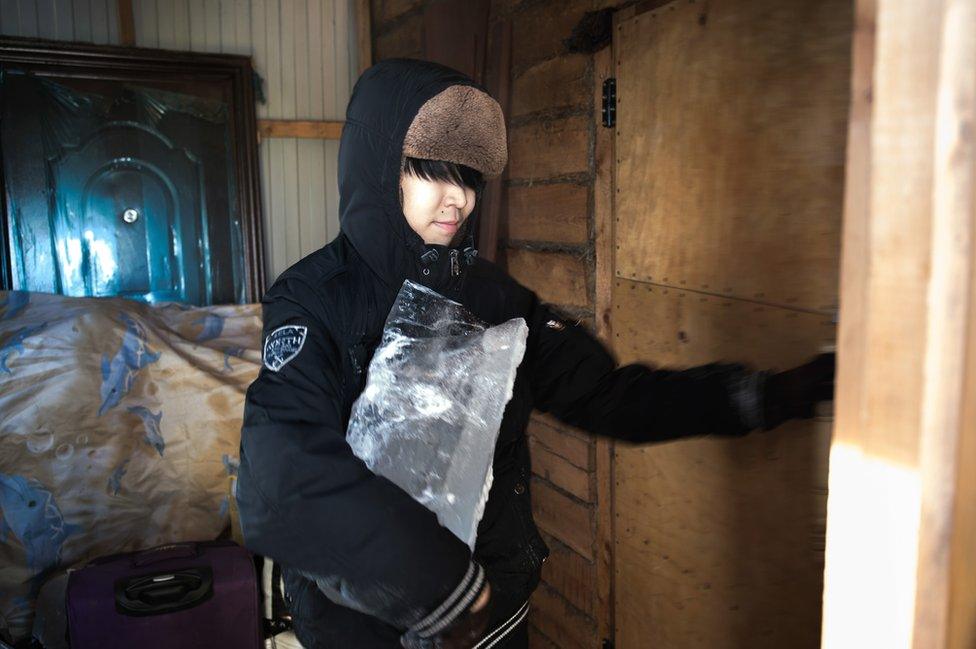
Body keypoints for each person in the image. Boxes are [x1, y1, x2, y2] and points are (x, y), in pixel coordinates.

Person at [236, 57, 835, 649]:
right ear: (378, 168)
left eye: (468, 178)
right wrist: (447, 593)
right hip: (366, 630)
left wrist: (760, 397)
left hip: (492, 621)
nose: (458, 201)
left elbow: (606, 395)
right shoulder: (317, 297)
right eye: (433, 173)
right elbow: (282, 475)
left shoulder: (494, 298)